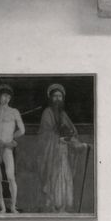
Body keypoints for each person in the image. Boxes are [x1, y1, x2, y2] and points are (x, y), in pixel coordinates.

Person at [38, 83, 84, 213]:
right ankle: (53, 205)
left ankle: (64, 206)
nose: (57, 99)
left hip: (64, 152)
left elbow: (72, 131)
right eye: (55, 96)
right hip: (51, 153)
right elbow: (44, 133)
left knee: (65, 176)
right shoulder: (47, 112)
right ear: (51, 98)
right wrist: (57, 135)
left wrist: (71, 138)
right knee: (54, 177)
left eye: (60, 96)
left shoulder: (63, 114)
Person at [0, 84, 25, 214]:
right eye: (4, 96)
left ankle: (12, 206)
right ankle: (2, 207)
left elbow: (22, 130)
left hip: (7, 147)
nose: (6, 99)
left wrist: (9, 139)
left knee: (11, 176)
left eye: (8, 96)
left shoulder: (14, 112)